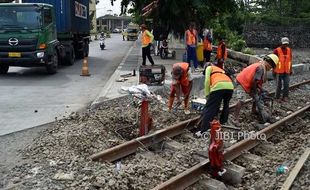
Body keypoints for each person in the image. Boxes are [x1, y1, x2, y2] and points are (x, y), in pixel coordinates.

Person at [234, 54, 279, 124]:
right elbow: (255, 81)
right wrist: (255, 91)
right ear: (270, 64)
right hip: (242, 81)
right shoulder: (261, 68)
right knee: (241, 100)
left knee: (257, 95)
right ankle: (235, 119)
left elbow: (257, 82)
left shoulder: (260, 65)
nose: (270, 69)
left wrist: (258, 91)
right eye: (272, 67)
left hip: (248, 81)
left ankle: (254, 110)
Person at [196, 63, 234, 134]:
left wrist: (207, 95)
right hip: (230, 86)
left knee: (209, 108)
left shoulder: (209, 68)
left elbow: (207, 81)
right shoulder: (219, 69)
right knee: (226, 105)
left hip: (219, 86)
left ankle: (204, 129)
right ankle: (223, 121)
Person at [273, 37, 292, 102]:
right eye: (284, 44)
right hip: (278, 71)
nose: (285, 45)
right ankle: (277, 97)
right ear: (281, 43)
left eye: (286, 44)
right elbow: (273, 61)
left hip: (287, 71)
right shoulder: (276, 50)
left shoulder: (289, 50)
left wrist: (291, 69)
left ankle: (285, 96)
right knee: (279, 85)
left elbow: (290, 60)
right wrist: (273, 70)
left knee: (286, 84)